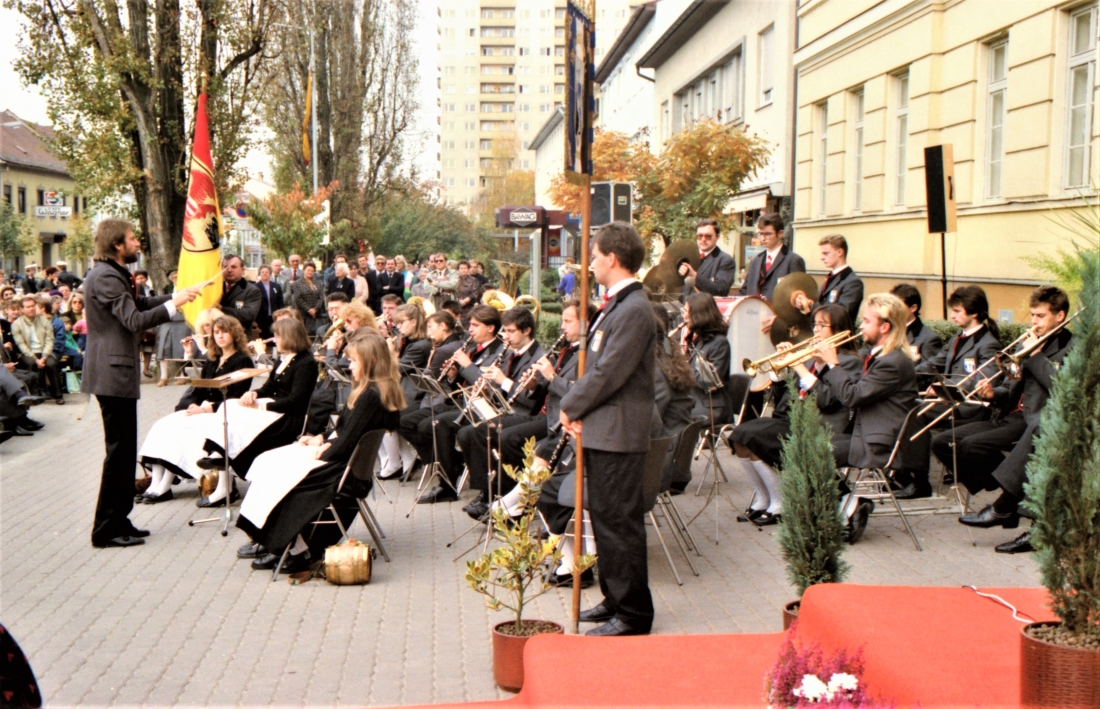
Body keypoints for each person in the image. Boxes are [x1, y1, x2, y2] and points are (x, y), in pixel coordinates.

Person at [236, 332, 405, 572]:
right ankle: (277, 543)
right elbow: (347, 432)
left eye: (355, 360)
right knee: (274, 463)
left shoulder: (370, 395)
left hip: (343, 472)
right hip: (345, 464)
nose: (349, 364)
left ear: (372, 362)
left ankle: (295, 550)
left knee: (282, 478)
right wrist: (321, 438)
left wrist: (320, 452)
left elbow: (346, 443)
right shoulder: (375, 390)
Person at [559, 221, 656, 637]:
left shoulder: (634, 309)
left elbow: (608, 373)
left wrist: (570, 404)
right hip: (604, 429)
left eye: (595, 256)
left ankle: (632, 615)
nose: (591, 264)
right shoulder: (617, 305)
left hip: (619, 434)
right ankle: (615, 598)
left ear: (612, 258)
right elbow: (596, 366)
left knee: (619, 524)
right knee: (605, 522)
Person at [81, 218, 202, 547]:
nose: (137, 243)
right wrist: (173, 305)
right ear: (117, 244)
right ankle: (105, 529)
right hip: (111, 373)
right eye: (132, 239)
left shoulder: (113, 272)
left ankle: (120, 519)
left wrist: (176, 295)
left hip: (114, 373)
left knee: (123, 452)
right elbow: (133, 320)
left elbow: (138, 304)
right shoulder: (105, 275)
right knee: (118, 454)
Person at [934, 287, 1073, 549]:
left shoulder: (1070, 347)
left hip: (1038, 421)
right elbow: (1011, 388)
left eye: (1041, 316)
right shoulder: (1027, 343)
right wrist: (992, 393)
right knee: (947, 442)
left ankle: (1006, 505)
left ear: (1060, 315)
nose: (1034, 322)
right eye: (1032, 315)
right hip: (1014, 415)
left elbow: (1062, 388)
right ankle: (1005, 489)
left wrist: (1035, 355)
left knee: (982, 443)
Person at [728, 304, 861, 526]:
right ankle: (764, 498)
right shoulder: (810, 357)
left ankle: (780, 504)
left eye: (822, 325)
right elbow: (786, 396)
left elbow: (828, 400)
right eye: (814, 324)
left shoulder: (848, 362)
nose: (816, 330)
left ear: (838, 329)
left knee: (754, 436)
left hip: (819, 424)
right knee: (739, 434)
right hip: (791, 418)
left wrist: (800, 367)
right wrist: (782, 371)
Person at [194, 317, 319, 505]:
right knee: (230, 405)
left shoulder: (306, 363)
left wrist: (262, 406)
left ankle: (222, 458)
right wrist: (253, 393)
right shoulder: (283, 359)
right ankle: (219, 455)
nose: (274, 340)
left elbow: (296, 401)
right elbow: (268, 387)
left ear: (290, 337)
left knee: (235, 414)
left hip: (288, 416)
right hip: (273, 408)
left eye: (277, 336)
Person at [136, 316, 255, 503]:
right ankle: (155, 483)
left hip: (223, 412)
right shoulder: (212, 359)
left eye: (224, 331)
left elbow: (236, 396)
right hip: (202, 409)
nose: (220, 336)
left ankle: (165, 484)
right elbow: (199, 389)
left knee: (179, 429)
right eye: (216, 332)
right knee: (163, 424)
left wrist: (206, 409)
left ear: (234, 333)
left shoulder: (243, 361)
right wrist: (191, 406)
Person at [903, 286, 1002, 498]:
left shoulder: (988, 344)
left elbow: (981, 381)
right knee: (905, 406)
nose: (952, 316)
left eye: (957, 311)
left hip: (968, 410)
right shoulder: (957, 337)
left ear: (974, 313)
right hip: (948, 402)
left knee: (914, 414)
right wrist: (902, 375)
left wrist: (942, 390)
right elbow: (933, 364)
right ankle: (904, 473)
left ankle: (919, 481)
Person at [408, 304, 504, 504]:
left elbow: (487, 384)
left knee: (439, 424)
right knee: (420, 423)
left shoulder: (499, 350)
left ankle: (448, 483)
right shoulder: (471, 348)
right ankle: (449, 467)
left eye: (475, 325)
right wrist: (452, 376)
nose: (470, 330)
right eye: (470, 325)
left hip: (485, 407)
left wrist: (466, 365)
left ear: (491, 328)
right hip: (465, 402)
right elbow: (463, 382)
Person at [457, 306, 546, 520]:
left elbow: (530, 401)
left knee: (491, 434)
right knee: (467, 433)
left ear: (526, 331)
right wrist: (489, 387)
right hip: (506, 411)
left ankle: (499, 496)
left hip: (528, 414)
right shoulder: (508, 353)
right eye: (504, 331)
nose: (505, 337)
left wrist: (504, 381)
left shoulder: (539, 356)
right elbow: (502, 390)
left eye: (510, 331)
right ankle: (486, 492)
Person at [814, 293, 918, 475]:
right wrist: (822, 363)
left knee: (812, 454)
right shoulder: (878, 356)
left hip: (878, 445)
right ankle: (849, 501)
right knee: (804, 448)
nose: (861, 326)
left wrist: (833, 363)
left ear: (884, 327)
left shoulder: (892, 362)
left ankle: (850, 502)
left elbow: (852, 396)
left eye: (867, 321)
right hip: (862, 434)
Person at [378, 302, 432, 479]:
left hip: (416, 396)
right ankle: (404, 459)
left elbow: (395, 370)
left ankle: (400, 460)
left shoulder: (420, 345)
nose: (398, 327)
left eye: (401, 323)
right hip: (406, 391)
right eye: (397, 323)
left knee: (386, 414)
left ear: (414, 321)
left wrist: (390, 351)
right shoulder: (410, 341)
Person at [682, 292, 731, 424]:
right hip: (695, 400)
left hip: (709, 407)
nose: (684, 316)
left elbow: (709, 383)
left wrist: (681, 369)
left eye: (688, 312)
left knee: (671, 418)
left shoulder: (720, 343)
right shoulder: (699, 340)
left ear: (700, 315)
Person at [738, 213, 806, 303]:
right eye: (760, 234)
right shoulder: (755, 261)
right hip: (754, 313)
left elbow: (799, 295)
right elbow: (745, 290)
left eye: (768, 234)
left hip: (778, 315)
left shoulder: (794, 260)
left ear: (780, 233)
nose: (763, 238)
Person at [11, 296, 65, 404]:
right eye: (28, 307)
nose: (31, 309)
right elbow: (21, 344)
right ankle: (33, 394)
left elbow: (50, 340)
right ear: (22, 309)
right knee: (30, 363)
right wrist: (35, 359)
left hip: (44, 351)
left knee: (51, 363)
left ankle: (58, 395)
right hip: (28, 352)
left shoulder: (44, 321)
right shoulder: (16, 324)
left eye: (33, 306)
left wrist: (44, 357)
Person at [680, 219, 737, 300]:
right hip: (684, 309)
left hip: (706, 311)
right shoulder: (687, 256)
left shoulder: (725, 260)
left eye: (708, 236)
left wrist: (694, 275)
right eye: (700, 236)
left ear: (717, 237)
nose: (703, 239)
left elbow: (721, 290)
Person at [815, 235, 864, 325]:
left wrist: (812, 307)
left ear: (840, 252)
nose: (821, 257)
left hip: (839, 336)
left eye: (826, 253)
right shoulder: (831, 278)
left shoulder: (853, 282)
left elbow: (840, 315)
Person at [890, 284, 943, 364]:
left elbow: (928, 372)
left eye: (899, 306)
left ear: (913, 308)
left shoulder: (929, 339)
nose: (894, 310)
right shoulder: (887, 331)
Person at [219, 255, 261, 332]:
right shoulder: (216, 288)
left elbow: (249, 315)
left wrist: (221, 309)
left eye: (233, 267)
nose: (229, 270)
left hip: (239, 338)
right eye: (225, 267)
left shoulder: (252, 290)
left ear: (243, 270)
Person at [290, 262, 326, 336]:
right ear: (303, 270)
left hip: (317, 314)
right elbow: (298, 298)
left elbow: (321, 297)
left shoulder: (319, 283)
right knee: (303, 335)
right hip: (303, 314)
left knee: (317, 334)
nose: (310, 272)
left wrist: (315, 309)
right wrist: (309, 309)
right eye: (308, 270)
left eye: (312, 271)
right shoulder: (297, 283)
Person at [254, 263, 284, 339]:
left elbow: (280, 302)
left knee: (274, 336)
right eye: (262, 272)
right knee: (263, 337)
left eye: (266, 272)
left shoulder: (276, 286)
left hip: (274, 316)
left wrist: (281, 314)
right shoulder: (255, 287)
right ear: (259, 274)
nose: (264, 273)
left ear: (270, 274)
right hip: (261, 317)